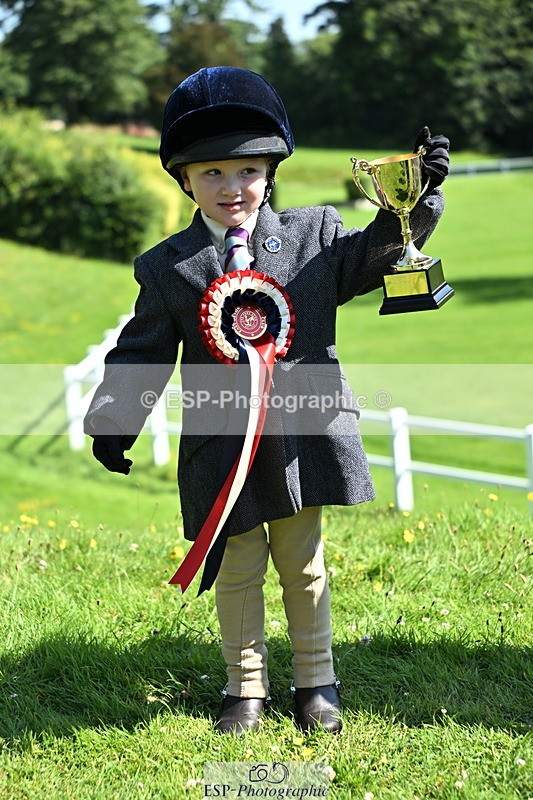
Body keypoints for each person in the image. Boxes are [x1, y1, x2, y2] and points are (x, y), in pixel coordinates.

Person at [84, 66, 450, 735]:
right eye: (213, 173)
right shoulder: (165, 266)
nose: (233, 188)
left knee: (302, 566)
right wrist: (114, 422)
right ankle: (243, 689)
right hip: (221, 450)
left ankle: (316, 680)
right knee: (238, 569)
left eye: (248, 171)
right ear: (185, 180)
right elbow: (140, 350)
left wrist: (417, 199)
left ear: (271, 171)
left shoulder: (315, 236)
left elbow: (376, 254)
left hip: (303, 438)